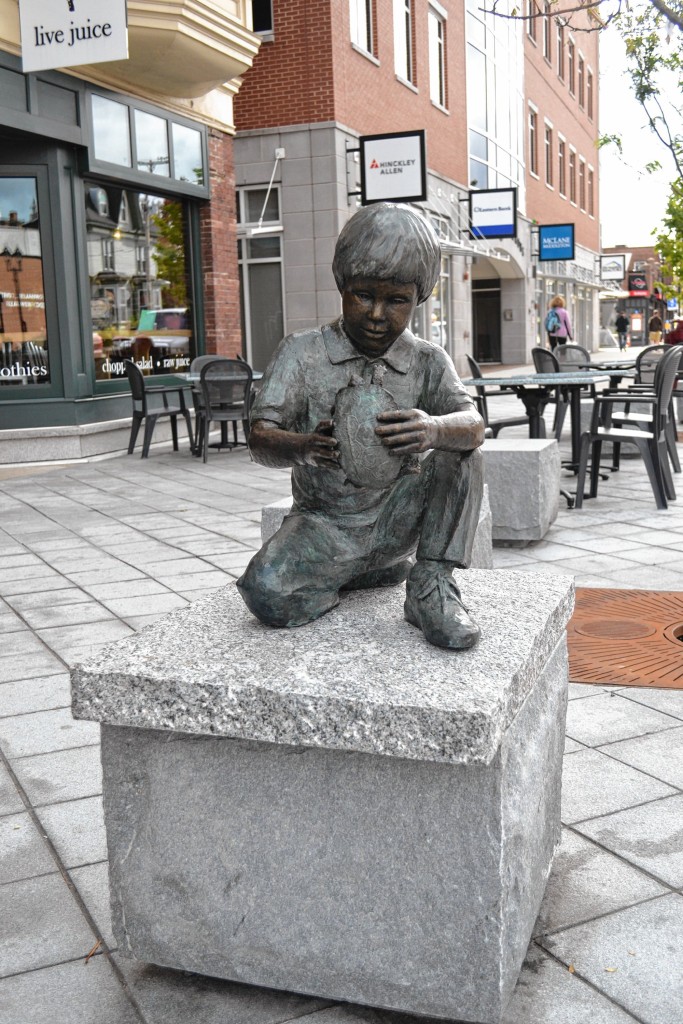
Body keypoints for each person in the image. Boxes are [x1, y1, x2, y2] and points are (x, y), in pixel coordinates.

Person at [237, 202, 485, 650]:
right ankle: (351, 570)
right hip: (324, 524)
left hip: (398, 516)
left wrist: (432, 429)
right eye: (364, 295)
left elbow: (473, 423)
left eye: (396, 301)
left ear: (418, 298)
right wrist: (301, 445)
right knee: (265, 594)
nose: (377, 314)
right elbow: (258, 436)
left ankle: (430, 585)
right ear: (342, 285)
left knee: (462, 450)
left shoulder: (427, 360)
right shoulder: (302, 352)